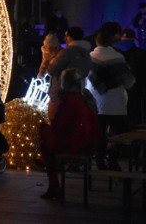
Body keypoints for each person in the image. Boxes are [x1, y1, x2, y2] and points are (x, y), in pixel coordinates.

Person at [38, 68, 99, 200]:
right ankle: (53, 180)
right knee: (47, 138)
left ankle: (54, 184)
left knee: (45, 143)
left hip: (76, 142)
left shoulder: (68, 99)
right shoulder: (85, 96)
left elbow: (61, 123)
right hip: (88, 140)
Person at [86, 21, 136, 171]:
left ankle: (100, 161)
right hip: (116, 103)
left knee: (99, 134)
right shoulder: (118, 57)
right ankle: (113, 160)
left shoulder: (90, 58)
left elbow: (86, 81)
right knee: (119, 135)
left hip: (96, 103)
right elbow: (129, 82)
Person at [45, 26, 93, 122]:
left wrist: (50, 60)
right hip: (79, 93)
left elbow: (52, 70)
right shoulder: (86, 53)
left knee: (56, 121)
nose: (64, 38)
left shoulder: (66, 52)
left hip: (60, 94)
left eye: (66, 36)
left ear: (71, 37)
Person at [113, 28, 146, 128]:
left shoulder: (115, 52)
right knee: (134, 115)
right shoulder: (141, 53)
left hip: (120, 88)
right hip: (135, 87)